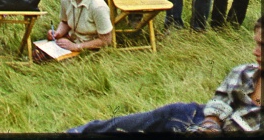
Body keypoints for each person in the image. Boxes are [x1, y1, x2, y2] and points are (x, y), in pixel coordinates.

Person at [68, 16, 261, 133]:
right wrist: (211, 123)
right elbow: (220, 102)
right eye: (256, 44)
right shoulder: (244, 72)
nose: (255, 52)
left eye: (262, 46)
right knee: (125, 125)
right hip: (195, 117)